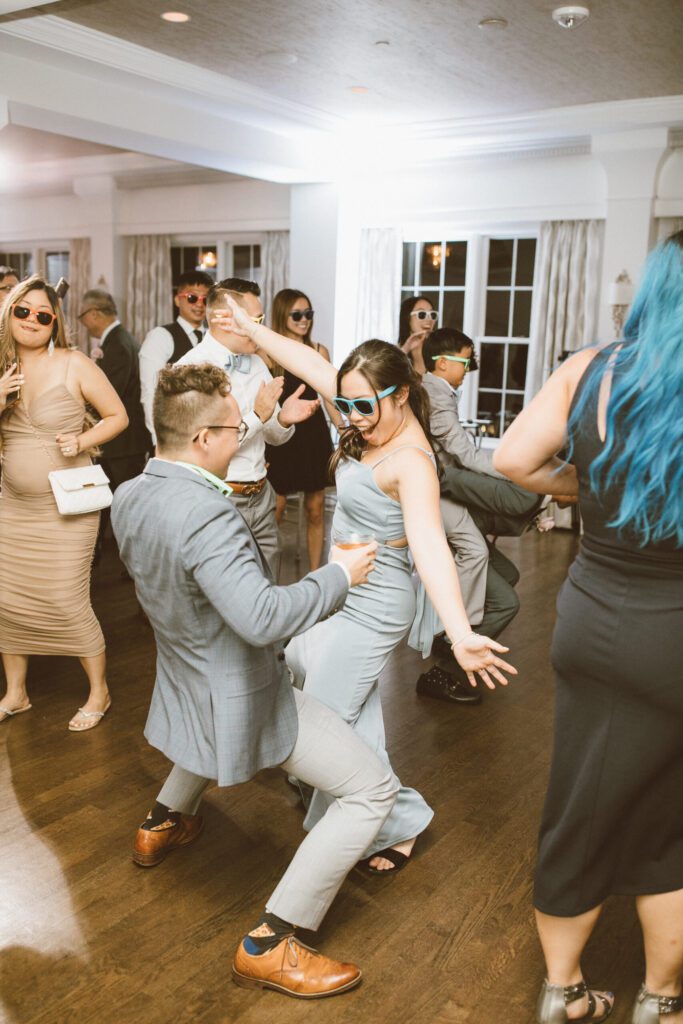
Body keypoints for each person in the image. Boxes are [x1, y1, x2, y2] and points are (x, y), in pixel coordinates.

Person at [112, 361, 399, 998]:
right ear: (203, 441)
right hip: (242, 689)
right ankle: (271, 941)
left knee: (206, 717)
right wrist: (340, 577)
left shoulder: (131, 492)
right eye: (235, 429)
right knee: (370, 791)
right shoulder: (208, 515)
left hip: (187, 672)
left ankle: (162, 820)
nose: (243, 437)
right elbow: (263, 618)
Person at [220, 299, 517, 874]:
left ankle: (390, 820)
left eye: (363, 405)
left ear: (400, 394)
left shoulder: (413, 461)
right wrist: (254, 330)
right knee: (340, 704)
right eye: (346, 402)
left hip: (378, 601)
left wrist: (460, 634)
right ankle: (381, 815)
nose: (350, 415)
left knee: (326, 718)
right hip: (336, 587)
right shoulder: (363, 402)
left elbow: (430, 545)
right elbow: (306, 360)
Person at [494, 231, 683, 1024]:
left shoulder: (589, 370)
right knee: (669, 821)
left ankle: (562, 991)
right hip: (673, 635)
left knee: (579, 798)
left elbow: (510, 460)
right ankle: (659, 1000)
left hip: (590, 617)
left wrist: (584, 487)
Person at [0, 275, 127, 731]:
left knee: (66, 599)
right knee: (7, 600)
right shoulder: (0, 366)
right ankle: (16, 692)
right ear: (10, 313)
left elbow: (119, 416)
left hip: (67, 510)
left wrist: (82, 438)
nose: (32, 319)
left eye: (43, 314)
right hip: (12, 508)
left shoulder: (74, 363)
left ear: (54, 323)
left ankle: (100, 690)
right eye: (23, 310)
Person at [415, 327, 541, 705]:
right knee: (479, 554)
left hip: (448, 486)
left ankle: (448, 639)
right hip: (438, 491)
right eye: (466, 361)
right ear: (442, 363)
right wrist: (515, 469)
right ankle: (457, 639)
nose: (470, 367)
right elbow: (464, 455)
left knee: (510, 575)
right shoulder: (435, 393)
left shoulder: (439, 392)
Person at [177, 278, 318, 577]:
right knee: (226, 593)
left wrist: (282, 419)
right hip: (219, 499)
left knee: (267, 585)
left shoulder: (256, 364)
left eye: (262, 320)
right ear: (223, 319)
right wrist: (257, 415)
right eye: (255, 321)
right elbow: (204, 449)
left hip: (262, 496)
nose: (262, 330)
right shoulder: (190, 369)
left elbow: (274, 438)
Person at [264, 289, 344, 571]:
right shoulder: (269, 351)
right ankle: (263, 572)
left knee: (315, 509)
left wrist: (344, 429)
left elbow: (329, 396)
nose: (304, 320)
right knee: (276, 507)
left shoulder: (319, 350)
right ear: (282, 314)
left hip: (313, 434)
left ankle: (315, 574)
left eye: (308, 314)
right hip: (281, 432)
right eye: (297, 314)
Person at [78, 289, 151, 490]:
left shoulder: (118, 344)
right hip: (123, 444)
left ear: (94, 313)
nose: (82, 323)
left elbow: (109, 394)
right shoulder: (121, 339)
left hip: (123, 445)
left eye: (82, 316)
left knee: (123, 500)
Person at [139, 269, 213, 440]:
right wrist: (159, 439)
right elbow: (151, 391)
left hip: (208, 434)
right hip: (174, 434)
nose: (199, 305)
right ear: (177, 300)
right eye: (192, 298)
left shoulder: (212, 337)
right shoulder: (161, 336)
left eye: (206, 299)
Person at [397, 294, 438, 376]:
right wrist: (405, 349)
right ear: (407, 318)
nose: (429, 319)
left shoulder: (440, 352)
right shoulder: (395, 352)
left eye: (432, 315)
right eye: (422, 314)